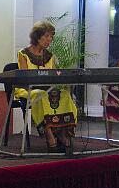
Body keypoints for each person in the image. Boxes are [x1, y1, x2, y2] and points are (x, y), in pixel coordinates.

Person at [16, 21, 78, 152]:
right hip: (27, 89)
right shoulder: (23, 53)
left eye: (51, 37)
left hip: (48, 89)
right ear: (37, 36)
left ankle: (62, 132)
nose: (49, 40)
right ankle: (49, 135)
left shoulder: (50, 56)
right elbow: (24, 78)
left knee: (65, 95)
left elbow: (54, 76)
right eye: (47, 36)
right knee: (41, 94)